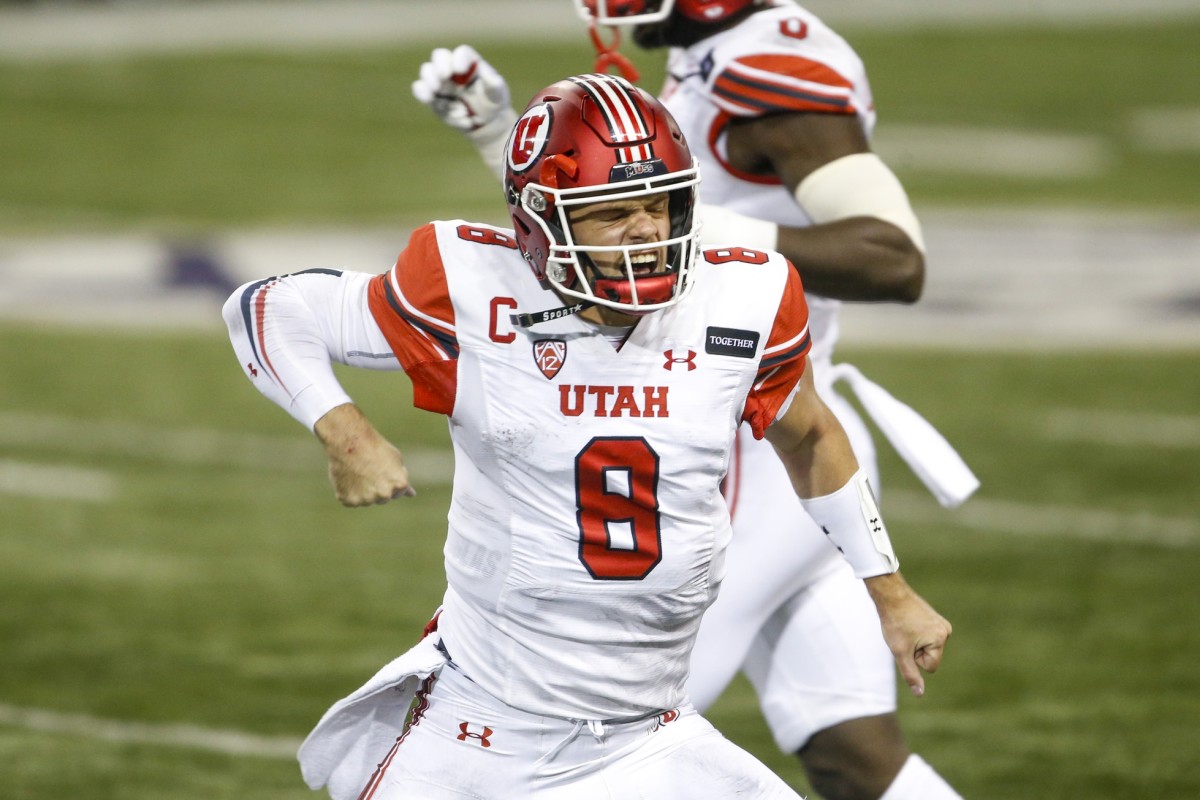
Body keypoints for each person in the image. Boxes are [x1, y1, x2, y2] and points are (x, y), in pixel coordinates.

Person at [224, 73, 951, 800]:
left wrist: (889, 591)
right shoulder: (475, 286)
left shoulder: (744, 297)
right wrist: (345, 431)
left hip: (650, 732)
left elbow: (811, 434)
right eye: (612, 212)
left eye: (661, 205)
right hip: (482, 733)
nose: (646, 231)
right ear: (540, 223)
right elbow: (268, 306)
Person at [410, 3, 979, 799]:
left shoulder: (770, 70)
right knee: (855, 760)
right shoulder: (717, 52)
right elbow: (602, 244)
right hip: (762, 441)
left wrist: (697, 229)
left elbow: (893, 257)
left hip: (745, 445)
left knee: (572, 745)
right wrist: (501, 136)